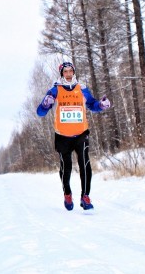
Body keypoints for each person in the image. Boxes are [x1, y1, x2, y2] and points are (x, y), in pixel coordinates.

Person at [35, 61, 111, 211]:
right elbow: (40, 112)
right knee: (67, 166)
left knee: (85, 163)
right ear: (62, 74)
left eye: (71, 71)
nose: (68, 74)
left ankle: (85, 197)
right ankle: (67, 193)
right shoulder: (55, 90)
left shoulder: (82, 88)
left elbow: (92, 104)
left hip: (81, 133)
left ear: (74, 72)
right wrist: (45, 104)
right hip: (62, 136)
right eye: (65, 72)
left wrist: (101, 105)